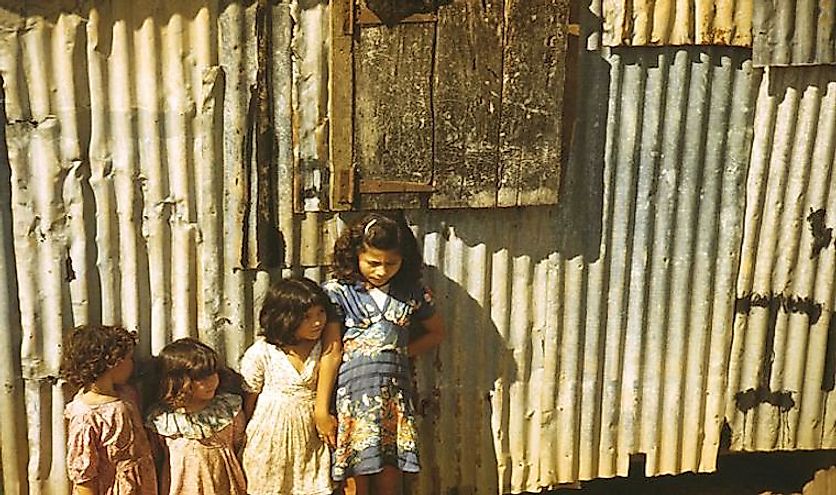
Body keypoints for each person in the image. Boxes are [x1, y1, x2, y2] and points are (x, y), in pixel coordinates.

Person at [319, 213, 445, 495]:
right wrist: (320, 409)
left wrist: (398, 353)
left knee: (390, 476)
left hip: (393, 400)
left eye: (391, 263)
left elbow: (436, 333)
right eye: (373, 263)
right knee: (355, 479)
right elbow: (331, 351)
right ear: (355, 256)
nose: (381, 270)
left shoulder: (413, 292)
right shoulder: (338, 293)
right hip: (352, 399)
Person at [239, 277, 335, 495]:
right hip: (270, 439)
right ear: (284, 318)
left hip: (310, 439)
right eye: (307, 317)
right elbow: (249, 399)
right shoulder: (262, 352)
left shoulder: (324, 349)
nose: (318, 322)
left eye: (321, 313)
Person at [61, 324, 158, 495]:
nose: (132, 364)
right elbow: (84, 475)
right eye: (129, 359)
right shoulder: (86, 415)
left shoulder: (126, 393)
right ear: (112, 363)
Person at [145, 338, 246, 495]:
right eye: (201, 378)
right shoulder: (162, 420)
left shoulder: (227, 409)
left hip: (222, 485)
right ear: (179, 382)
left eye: (213, 373)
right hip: (182, 486)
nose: (212, 381)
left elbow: (239, 444)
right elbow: (156, 456)